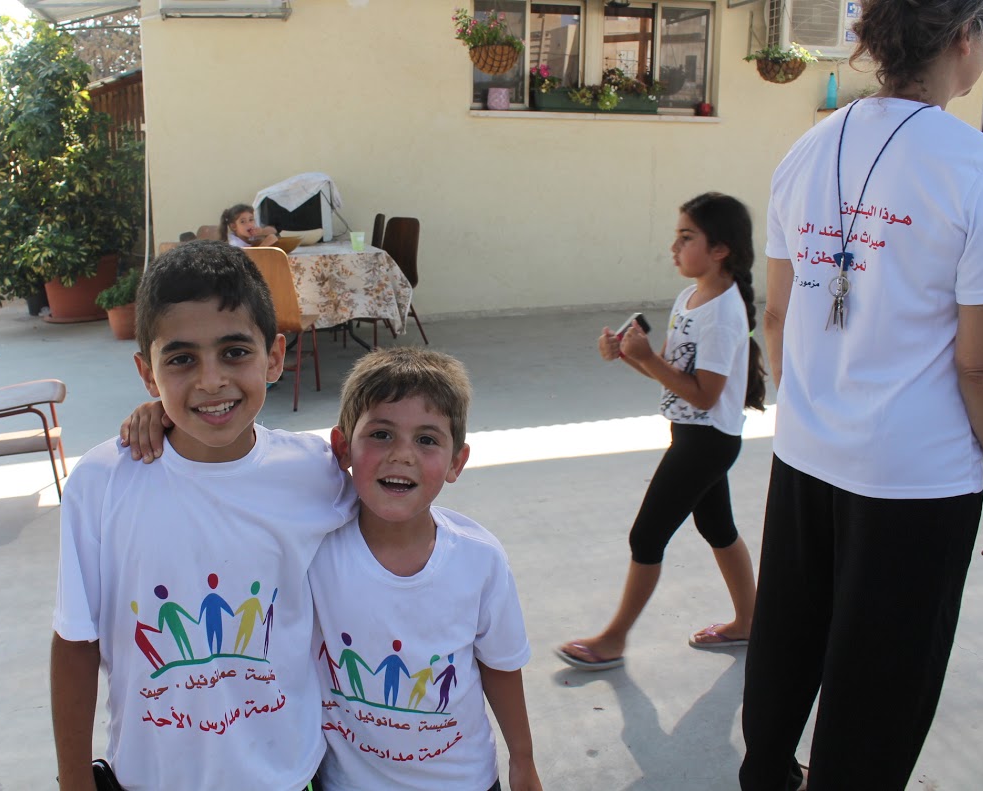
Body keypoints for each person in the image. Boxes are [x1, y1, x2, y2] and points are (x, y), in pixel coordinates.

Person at [739, 0, 983, 788]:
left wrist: (816, 411)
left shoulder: (807, 149)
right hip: (915, 480)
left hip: (806, 456)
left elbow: (778, 315)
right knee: (881, 692)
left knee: (787, 646)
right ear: (964, 37)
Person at [50, 240, 356, 791]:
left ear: (275, 357)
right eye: (181, 359)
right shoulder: (102, 484)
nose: (211, 380)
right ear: (148, 374)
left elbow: (396, 516)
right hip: (151, 778)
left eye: (234, 352)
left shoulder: (318, 472)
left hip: (289, 775)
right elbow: (75, 640)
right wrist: (74, 780)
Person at [310, 348, 542, 791]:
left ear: (457, 462)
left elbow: (500, 665)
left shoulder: (480, 560)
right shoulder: (313, 549)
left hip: (463, 780)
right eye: (381, 434)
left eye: (427, 440)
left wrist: (523, 760)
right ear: (343, 448)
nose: (402, 455)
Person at [556, 192, 766, 671]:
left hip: (708, 441)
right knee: (718, 528)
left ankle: (613, 640)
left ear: (721, 249)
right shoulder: (689, 298)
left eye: (686, 238)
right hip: (693, 435)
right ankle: (749, 622)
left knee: (646, 537)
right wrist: (628, 356)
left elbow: (704, 395)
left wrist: (647, 357)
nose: (674, 248)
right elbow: (672, 374)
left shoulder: (723, 314)